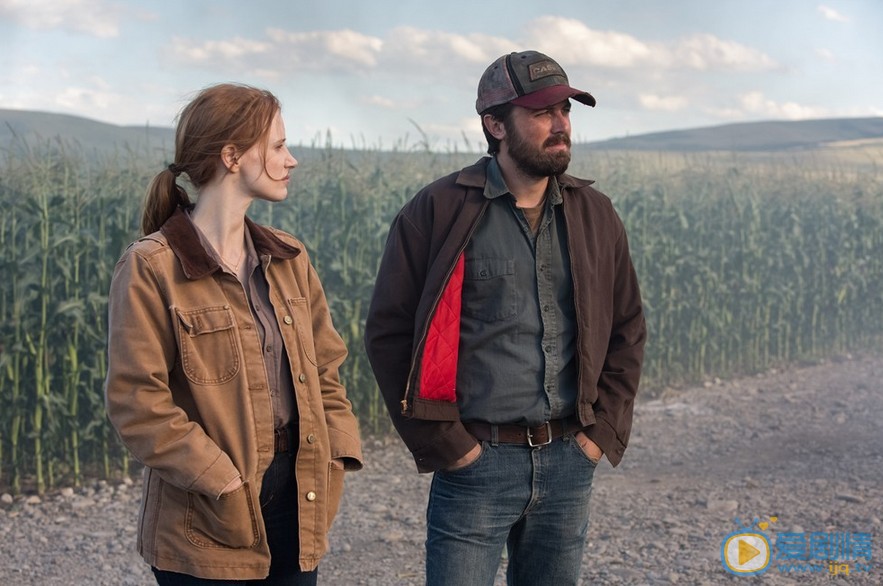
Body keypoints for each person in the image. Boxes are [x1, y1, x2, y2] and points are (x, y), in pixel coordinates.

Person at [364, 50, 646, 585]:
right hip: (476, 466)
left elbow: (627, 328)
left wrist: (600, 433)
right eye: (542, 113)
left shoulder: (595, 214)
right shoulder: (439, 211)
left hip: (569, 461)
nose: (560, 125)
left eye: (565, 110)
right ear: (495, 125)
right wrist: (449, 446)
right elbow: (390, 334)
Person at [105, 83, 363, 585]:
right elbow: (137, 402)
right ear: (231, 156)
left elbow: (326, 369)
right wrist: (223, 481)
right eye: (278, 146)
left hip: (300, 495)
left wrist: (337, 446)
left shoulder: (289, 258)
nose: (291, 160)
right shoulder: (152, 267)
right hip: (205, 513)